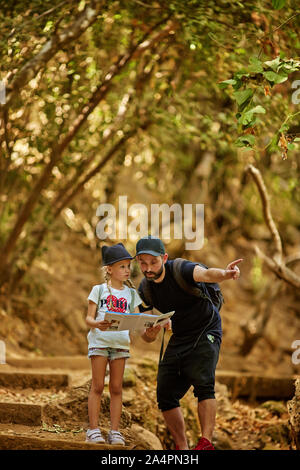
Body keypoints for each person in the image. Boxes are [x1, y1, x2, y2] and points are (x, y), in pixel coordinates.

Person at [137, 235, 243, 450]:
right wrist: (153, 330)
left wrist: (225, 273)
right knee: (165, 394)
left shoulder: (181, 269)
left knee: (203, 383)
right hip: (180, 336)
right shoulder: (144, 289)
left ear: (164, 258)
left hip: (206, 328)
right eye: (143, 263)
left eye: (153, 262)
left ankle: (205, 443)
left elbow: (206, 274)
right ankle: (182, 447)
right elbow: (146, 336)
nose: (148, 268)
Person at [85, 242, 142, 445]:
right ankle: (93, 430)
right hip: (99, 342)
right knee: (98, 385)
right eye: (122, 266)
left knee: (117, 388)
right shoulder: (98, 290)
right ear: (109, 269)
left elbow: (137, 319)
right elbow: (89, 319)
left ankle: (114, 431)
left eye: (129, 266)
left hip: (121, 345)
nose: (128, 270)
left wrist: (153, 325)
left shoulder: (132, 294)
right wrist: (98, 324)